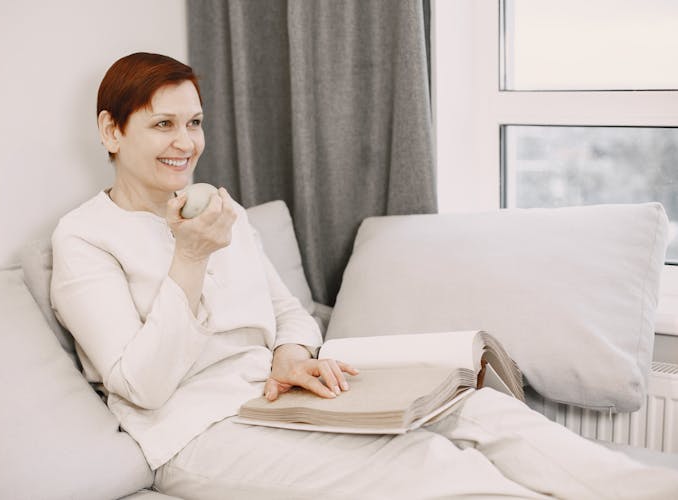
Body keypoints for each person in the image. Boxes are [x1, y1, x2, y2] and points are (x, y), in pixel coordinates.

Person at [50, 52, 678, 499]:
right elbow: (143, 387)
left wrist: (290, 355)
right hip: (197, 433)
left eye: (194, 122)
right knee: (432, 469)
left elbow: (287, 312)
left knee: (486, 413)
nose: (186, 142)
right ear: (111, 130)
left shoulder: (222, 209)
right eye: (163, 123)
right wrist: (190, 260)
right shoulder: (84, 238)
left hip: (276, 397)